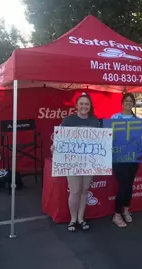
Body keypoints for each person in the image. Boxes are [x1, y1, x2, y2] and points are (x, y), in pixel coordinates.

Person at [55, 92, 100, 232]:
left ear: (90, 105)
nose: (84, 106)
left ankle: (81, 218)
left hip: (89, 162)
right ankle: (73, 219)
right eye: (81, 104)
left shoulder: (95, 121)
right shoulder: (68, 120)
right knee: (74, 190)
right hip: (72, 162)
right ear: (76, 105)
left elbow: (100, 142)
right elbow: (59, 138)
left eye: (87, 104)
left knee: (84, 190)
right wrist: (55, 145)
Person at [111, 93, 140, 228]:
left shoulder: (138, 120)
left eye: (131, 101)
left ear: (133, 104)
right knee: (123, 185)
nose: (128, 103)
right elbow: (109, 137)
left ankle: (126, 210)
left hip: (133, 158)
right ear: (122, 103)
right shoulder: (114, 118)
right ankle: (117, 214)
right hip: (119, 158)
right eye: (126, 101)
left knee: (129, 185)